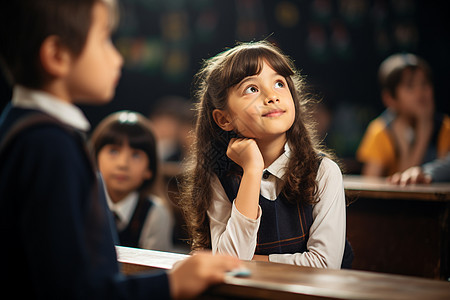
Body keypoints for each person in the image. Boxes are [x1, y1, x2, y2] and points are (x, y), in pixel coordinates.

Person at [0, 0, 240, 299]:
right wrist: (172, 284)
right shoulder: (49, 146)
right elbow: (73, 291)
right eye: (104, 40)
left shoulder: (20, 127)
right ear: (57, 55)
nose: (118, 58)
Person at [177, 41, 353, 269]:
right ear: (224, 119)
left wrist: (254, 262)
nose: (271, 96)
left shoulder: (323, 172)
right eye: (252, 88)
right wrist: (252, 170)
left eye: (279, 83)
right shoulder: (220, 176)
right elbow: (228, 259)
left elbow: (324, 265)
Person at [90, 110, 174, 251]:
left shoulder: (154, 213)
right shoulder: (82, 203)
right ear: (96, 159)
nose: (123, 164)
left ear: (149, 170)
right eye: (113, 151)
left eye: (136, 155)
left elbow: (152, 269)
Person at [357, 53, 450, 177]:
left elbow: (444, 175)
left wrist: (425, 128)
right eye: (410, 86)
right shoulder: (380, 130)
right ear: (389, 98)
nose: (420, 92)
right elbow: (371, 183)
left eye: (424, 83)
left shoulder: (445, 127)